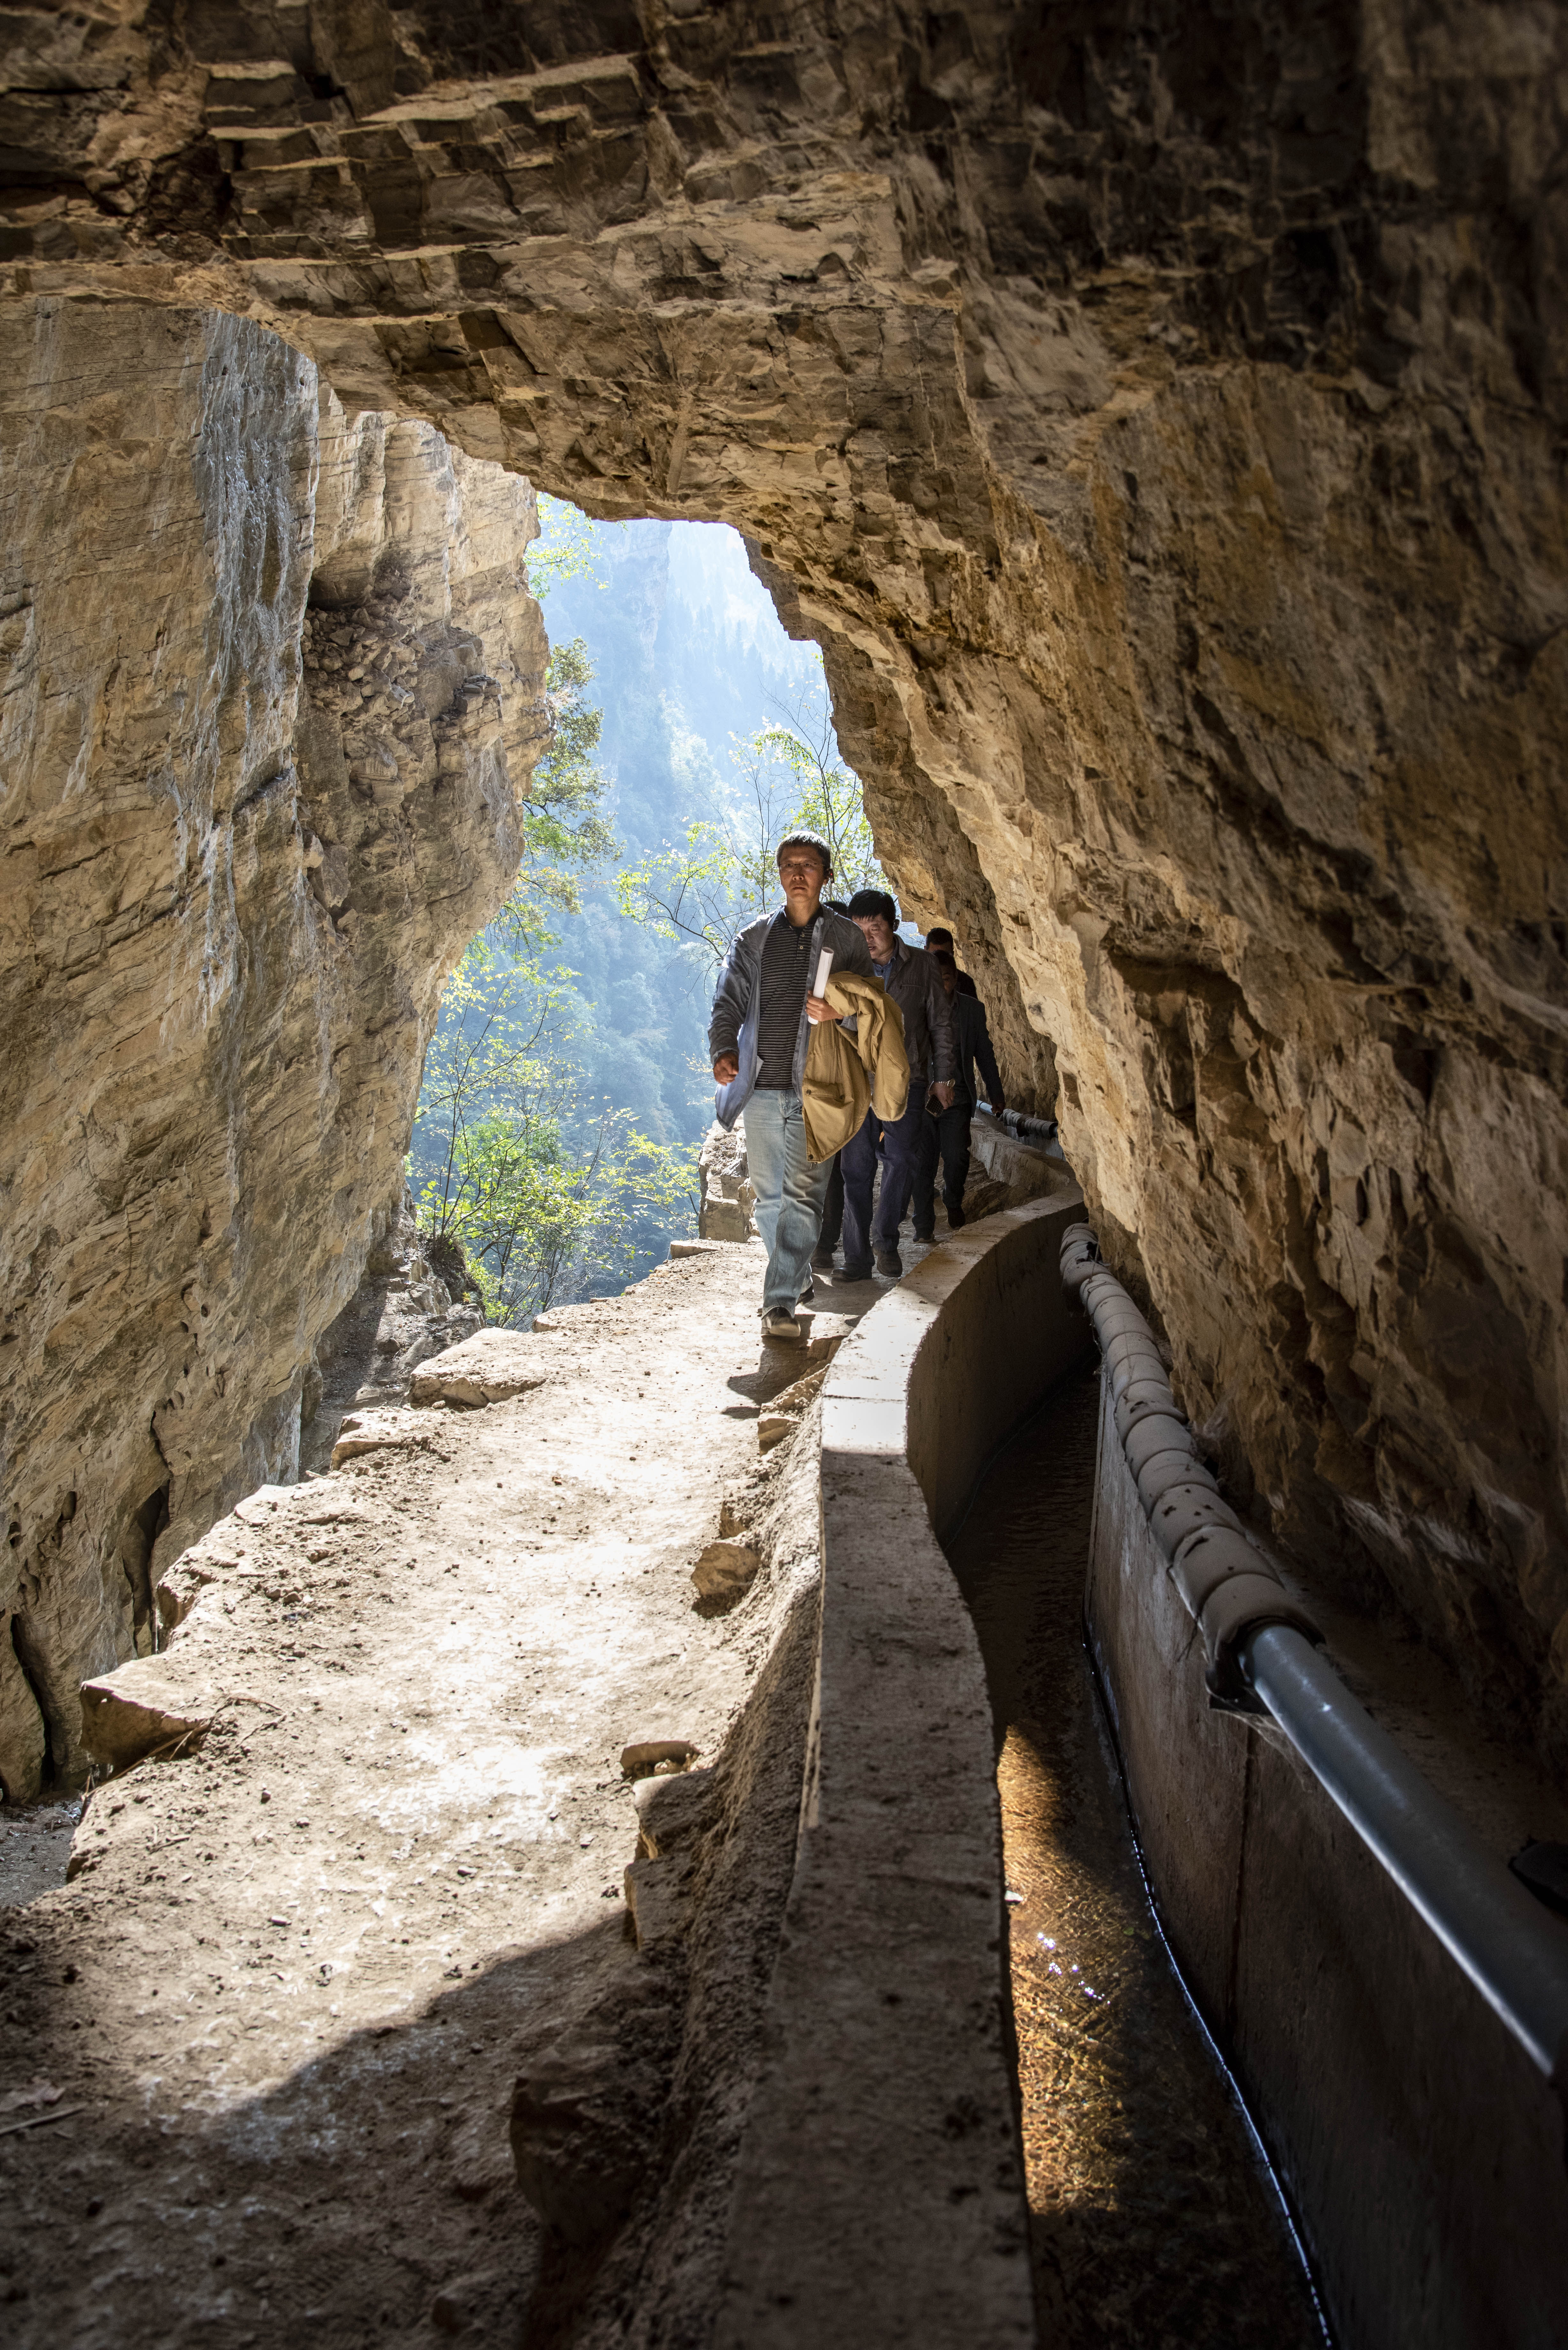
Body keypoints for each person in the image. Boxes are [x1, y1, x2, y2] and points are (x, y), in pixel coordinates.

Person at [709, 836, 872, 1341]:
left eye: (809, 866)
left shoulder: (846, 939)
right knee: (769, 1200)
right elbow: (728, 1000)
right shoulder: (755, 937)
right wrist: (723, 1051)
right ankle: (797, 1276)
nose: (798, 873)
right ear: (779, 874)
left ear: (826, 875)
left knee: (804, 1196)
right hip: (760, 1086)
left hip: (817, 1089)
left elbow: (869, 1012)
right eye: (789, 866)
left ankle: (778, 1304)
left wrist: (839, 1014)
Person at [838, 888, 956, 1279]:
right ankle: (857, 1260)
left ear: (893, 925)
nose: (868, 938)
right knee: (855, 1167)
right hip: (857, 1079)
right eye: (859, 931)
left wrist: (943, 1078)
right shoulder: (847, 970)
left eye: (875, 929)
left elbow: (940, 1025)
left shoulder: (922, 966)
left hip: (910, 1078)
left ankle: (884, 1240)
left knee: (902, 1158)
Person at [912, 948, 1006, 1239]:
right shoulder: (912, 1007)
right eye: (936, 980)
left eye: (948, 979)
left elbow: (985, 1055)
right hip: (922, 1099)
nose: (943, 987)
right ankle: (924, 1224)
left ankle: (953, 1200)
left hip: (958, 1098)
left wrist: (997, 1095)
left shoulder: (972, 1011)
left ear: (956, 980)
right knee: (922, 1162)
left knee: (956, 1157)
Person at [922, 925, 978, 996]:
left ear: (953, 954)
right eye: (935, 956)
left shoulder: (966, 983)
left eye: (945, 956)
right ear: (926, 952)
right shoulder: (913, 978)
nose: (940, 961)